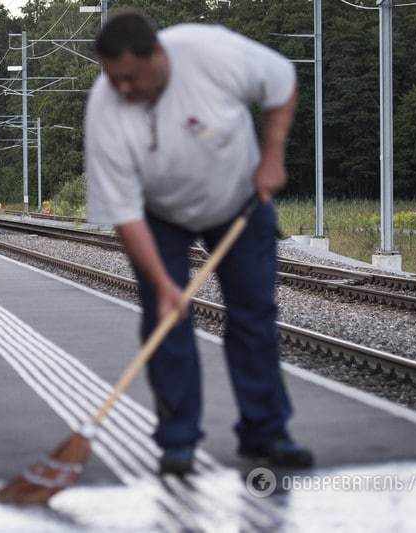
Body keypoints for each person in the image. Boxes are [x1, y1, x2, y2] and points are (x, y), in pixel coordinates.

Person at [85, 10, 314, 475]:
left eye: (130, 77)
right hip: (159, 215)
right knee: (165, 319)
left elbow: (282, 81)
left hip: (240, 203)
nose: (123, 90)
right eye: (114, 80)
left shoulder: (211, 52)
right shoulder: (105, 108)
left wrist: (273, 156)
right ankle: (178, 442)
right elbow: (125, 215)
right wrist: (164, 287)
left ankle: (266, 432)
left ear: (157, 55)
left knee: (254, 317)